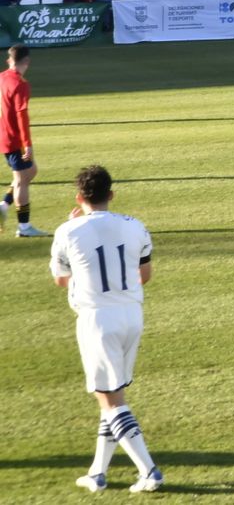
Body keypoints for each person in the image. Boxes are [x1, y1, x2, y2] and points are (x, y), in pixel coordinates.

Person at [49, 164, 164, 493]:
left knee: (111, 401)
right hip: (132, 315)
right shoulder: (135, 226)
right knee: (112, 394)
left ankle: (149, 471)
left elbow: (60, 279)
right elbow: (144, 275)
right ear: (110, 195)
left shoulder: (67, 231)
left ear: (79, 197)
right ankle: (97, 473)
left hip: (97, 320)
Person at [1, 45, 48, 237]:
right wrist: (26, 143)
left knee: (31, 170)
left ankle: (4, 205)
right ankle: (24, 227)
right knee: (21, 180)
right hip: (14, 138)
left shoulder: (2, 77)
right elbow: (22, 115)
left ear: (9, 60)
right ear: (27, 61)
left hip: (4, 134)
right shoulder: (20, 84)